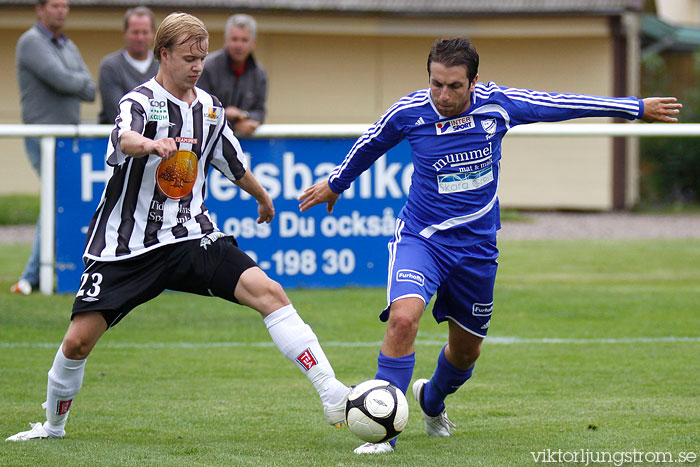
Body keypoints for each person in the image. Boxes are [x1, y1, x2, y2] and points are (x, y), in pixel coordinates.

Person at [298, 37, 682, 454]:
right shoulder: (409, 112)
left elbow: (561, 103)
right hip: (422, 239)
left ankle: (431, 401)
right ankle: (384, 432)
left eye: (454, 86)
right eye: (436, 84)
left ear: (474, 82)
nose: (443, 95)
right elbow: (370, 143)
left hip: (477, 248)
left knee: (465, 353)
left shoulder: (499, 105)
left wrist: (635, 107)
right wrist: (336, 184)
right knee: (403, 319)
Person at [6, 12, 348, 442]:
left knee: (270, 294)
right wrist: (151, 144)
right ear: (163, 54)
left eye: (202, 59)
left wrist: (262, 196)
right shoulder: (137, 103)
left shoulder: (209, 109)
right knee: (77, 343)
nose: (197, 67)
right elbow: (124, 139)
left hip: (190, 235)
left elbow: (232, 162)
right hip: (126, 246)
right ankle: (52, 427)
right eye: (188, 57)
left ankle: (332, 393)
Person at [12, 0, 95, 295]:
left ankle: (34, 275)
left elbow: (87, 85)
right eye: (55, 5)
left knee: (55, 199)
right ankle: (33, 275)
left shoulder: (67, 45)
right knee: (55, 197)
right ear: (40, 9)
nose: (61, 10)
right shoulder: (31, 42)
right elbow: (64, 81)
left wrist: (78, 83)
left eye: (65, 6)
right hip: (42, 136)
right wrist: (78, 82)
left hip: (65, 138)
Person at [197, 14, 267, 137]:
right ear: (226, 40)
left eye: (244, 40)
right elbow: (198, 110)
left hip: (246, 148)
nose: (239, 45)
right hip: (208, 142)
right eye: (234, 39)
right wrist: (229, 120)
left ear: (253, 43)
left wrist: (244, 115)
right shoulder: (206, 68)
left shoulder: (259, 74)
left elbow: (260, 112)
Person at [98, 6, 159, 124]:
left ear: (153, 34)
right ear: (125, 33)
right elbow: (117, 112)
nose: (140, 38)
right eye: (135, 32)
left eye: (145, 32)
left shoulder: (163, 66)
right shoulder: (111, 67)